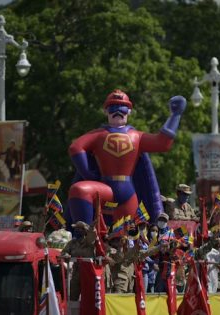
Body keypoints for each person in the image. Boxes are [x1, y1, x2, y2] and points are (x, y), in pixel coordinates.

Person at [66, 90, 186, 228]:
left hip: (128, 195)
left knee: (127, 237)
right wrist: (88, 173)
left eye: (122, 108)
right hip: (105, 189)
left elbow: (163, 143)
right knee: (79, 190)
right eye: (113, 107)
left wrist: (175, 116)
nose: (117, 111)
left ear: (129, 111)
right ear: (106, 111)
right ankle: (84, 237)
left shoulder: (137, 136)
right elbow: (75, 147)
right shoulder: (98, 135)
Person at [61, 221, 96, 300]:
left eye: (80, 229)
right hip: (76, 271)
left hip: (88, 271)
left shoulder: (89, 242)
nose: (77, 230)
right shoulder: (72, 243)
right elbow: (63, 253)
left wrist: (91, 228)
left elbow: (91, 236)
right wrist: (66, 255)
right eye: (76, 228)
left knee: (88, 296)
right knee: (73, 294)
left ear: (84, 231)